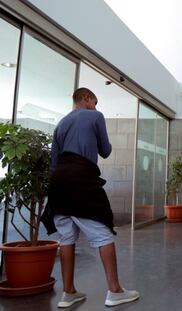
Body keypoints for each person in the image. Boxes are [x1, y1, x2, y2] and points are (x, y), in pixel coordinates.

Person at [46, 88, 139, 308]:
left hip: (59, 183)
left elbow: (53, 163)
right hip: (81, 178)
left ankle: (68, 293)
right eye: (94, 102)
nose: (96, 107)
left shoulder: (60, 124)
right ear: (86, 99)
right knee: (102, 232)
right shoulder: (95, 116)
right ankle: (115, 291)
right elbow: (105, 150)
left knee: (66, 238)